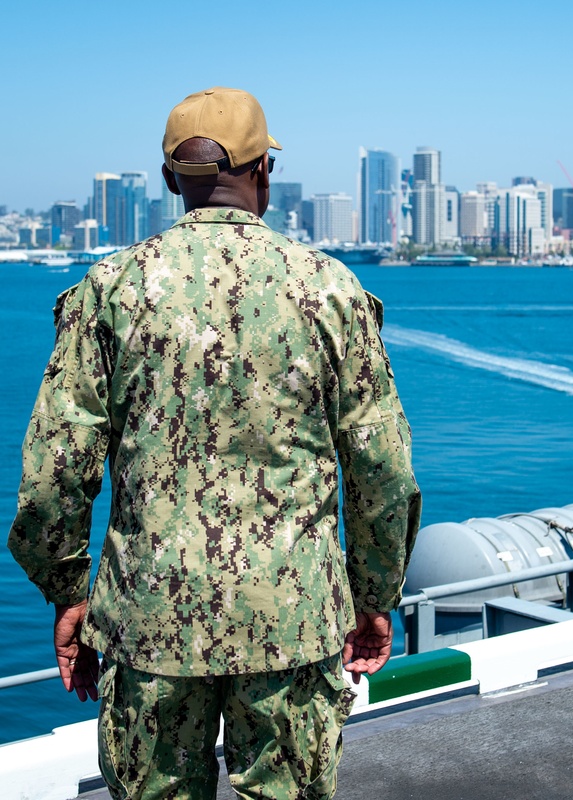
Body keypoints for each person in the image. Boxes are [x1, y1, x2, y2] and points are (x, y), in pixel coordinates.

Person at [8, 87, 421, 799]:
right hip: (293, 626)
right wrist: (373, 594)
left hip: (148, 630)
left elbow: (53, 472)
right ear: (265, 171)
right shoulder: (329, 290)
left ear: (171, 180)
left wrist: (69, 593)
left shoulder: (109, 289)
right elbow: (382, 470)